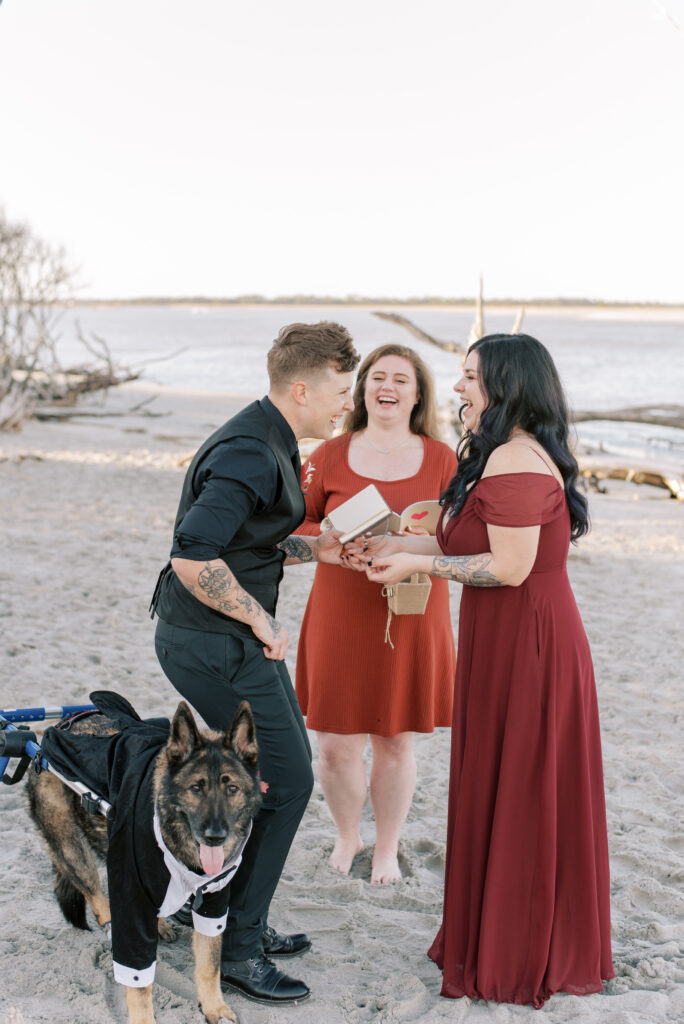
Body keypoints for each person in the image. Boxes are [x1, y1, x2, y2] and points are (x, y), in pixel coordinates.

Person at [366, 333, 614, 1006]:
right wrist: (402, 538)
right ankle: (498, 933)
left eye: (470, 377)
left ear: (506, 385)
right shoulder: (507, 454)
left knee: (524, 789)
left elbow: (508, 569)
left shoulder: (515, 458)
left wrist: (419, 562)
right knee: (506, 785)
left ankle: (516, 950)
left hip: (529, 648)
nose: (457, 388)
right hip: (506, 641)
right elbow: (479, 541)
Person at [150, 321, 360, 1006]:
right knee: (290, 782)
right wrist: (255, 615)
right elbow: (191, 556)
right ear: (302, 387)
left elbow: (246, 543)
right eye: (338, 388)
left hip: (231, 640)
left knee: (283, 773)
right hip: (213, 644)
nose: (344, 404)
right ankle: (236, 946)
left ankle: (235, 918)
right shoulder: (248, 449)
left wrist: (315, 549)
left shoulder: (270, 435)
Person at [294, 344, 457, 884]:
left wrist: (417, 545)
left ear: (417, 393)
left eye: (401, 379)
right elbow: (291, 526)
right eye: (377, 377)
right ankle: (348, 835)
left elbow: (462, 538)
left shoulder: (443, 459)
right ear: (363, 389)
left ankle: (386, 846)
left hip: (412, 610)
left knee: (395, 738)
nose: (388, 386)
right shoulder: (327, 456)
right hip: (340, 609)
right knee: (336, 744)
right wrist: (330, 545)